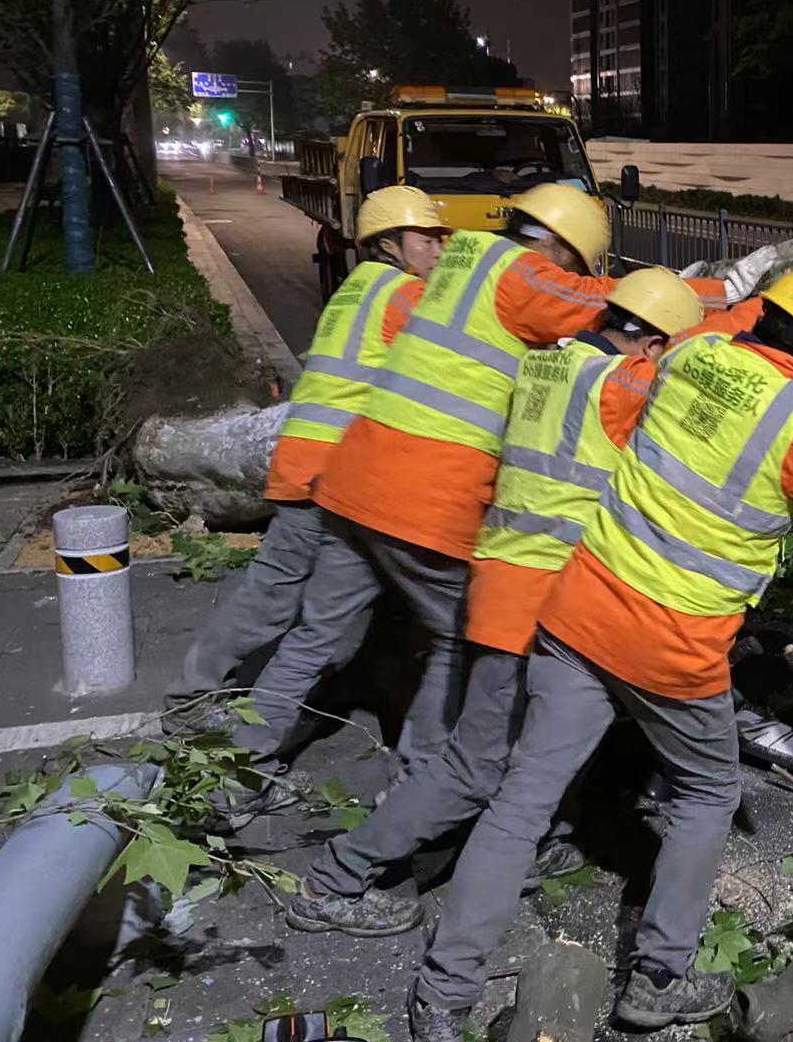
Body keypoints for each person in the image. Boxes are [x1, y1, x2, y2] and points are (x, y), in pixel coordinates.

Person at [405, 232, 793, 1040]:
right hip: (671, 646)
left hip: (576, 611)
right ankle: (656, 979)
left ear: (766, 322)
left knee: (519, 804)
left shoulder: (683, 357)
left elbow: (709, 336)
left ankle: (443, 992)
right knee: (707, 793)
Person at [229, 186, 735, 790]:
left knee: (316, 633)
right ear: (558, 246)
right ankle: (416, 786)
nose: (569, 273)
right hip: (425, 498)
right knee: (457, 636)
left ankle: (234, 765)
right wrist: (733, 294)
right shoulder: (525, 278)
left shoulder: (464, 255)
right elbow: (610, 303)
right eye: (572, 261)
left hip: (353, 479)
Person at [280, 267, 706, 939]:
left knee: (537, 752)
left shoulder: (545, 364)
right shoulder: (624, 384)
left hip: (502, 582)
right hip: (537, 601)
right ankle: (338, 876)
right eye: (667, 350)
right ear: (652, 344)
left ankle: (533, 841)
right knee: (474, 766)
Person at [162, 185, 449, 722]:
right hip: (330, 469)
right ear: (389, 243)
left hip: (307, 455)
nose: (438, 248)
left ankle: (232, 691)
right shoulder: (404, 297)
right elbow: (463, 357)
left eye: (441, 237)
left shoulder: (356, 289)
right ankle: (197, 697)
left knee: (303, 594)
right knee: (282, 599)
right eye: (426, 238)